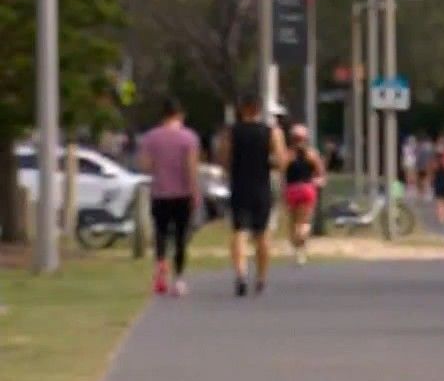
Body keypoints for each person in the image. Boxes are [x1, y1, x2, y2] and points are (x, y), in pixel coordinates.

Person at [216, 95, 286, 297]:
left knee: (239, 231)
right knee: (262, 233)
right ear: (259, 110)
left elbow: (223, 159)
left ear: (242, 109)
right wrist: (269, 163)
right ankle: (261, 278)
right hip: (262, 186)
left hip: (239, 186)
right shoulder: (271, 132)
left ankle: (240, 274)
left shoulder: (231, 132)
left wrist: (232, 167)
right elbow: (281, 161)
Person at [137, 97, 201, 297]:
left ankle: (160, 269)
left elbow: (144, 165)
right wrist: (194, 191)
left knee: (161, 233)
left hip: (160, 193)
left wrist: (159, 166)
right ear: (180, 115)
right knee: (181, 237)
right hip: (182, 193)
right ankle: (178, 279)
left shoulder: (150, 138)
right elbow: (191, 167)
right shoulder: (189, 138)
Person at [282, 124, 326, 266]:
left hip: (292, 189)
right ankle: (302, 242)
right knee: (305, 221)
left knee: (293, 222)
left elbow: (282, 170)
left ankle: (296, 248)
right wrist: (318, 181)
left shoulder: (288, 154)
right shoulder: (311, 154)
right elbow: (320, 172)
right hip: (307, 189)